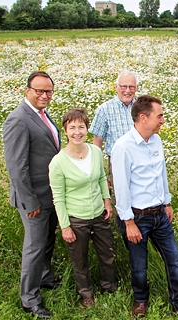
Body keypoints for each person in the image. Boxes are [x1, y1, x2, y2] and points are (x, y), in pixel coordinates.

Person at [111, 95, 178, 317]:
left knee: (174, 260)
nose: (163, 120)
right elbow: (121, 187)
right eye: (159, 116)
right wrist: (128, 222)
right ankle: (141, 301)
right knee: (139, 266)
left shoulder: (156, 141)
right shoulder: (123, 147)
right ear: (143, 117)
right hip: (137, 218)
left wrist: (167, 202)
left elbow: (161, 174)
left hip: (160, 214)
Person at [3, 71, 61, 319]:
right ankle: (30, 299)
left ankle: (45, 278)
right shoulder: (18, 119)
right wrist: (29, 201)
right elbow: (16, 167)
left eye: (48, 91)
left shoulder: (42, 115)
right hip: (34, 199)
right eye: (39, 91)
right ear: (27, 90)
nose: (44, 95)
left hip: (49, 195)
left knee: (47, 242)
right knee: (34, 247)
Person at [49, 108, 117, 308]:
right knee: (80, 261)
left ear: (87, 129)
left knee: (108, 254)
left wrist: (106, 201)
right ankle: (86, 293)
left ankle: (109, 287)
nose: (77, 132)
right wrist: (65, 226)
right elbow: (58, 198)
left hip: (99, 214)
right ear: (65, 130)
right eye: (72, 128)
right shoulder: (58, 162)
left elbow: (102, 178)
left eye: (81, 127)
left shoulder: (95, 152)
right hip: (76, 218)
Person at [89, 70, 138, 190]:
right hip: (118, 162)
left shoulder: (143, 107)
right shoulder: (104, 109)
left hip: (140, 159)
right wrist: (99, 173)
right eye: (123, 86)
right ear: (116, 87)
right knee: (121, 198)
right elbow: (97, 143)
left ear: (136, 88)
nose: (127, 91)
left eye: (131, 87)